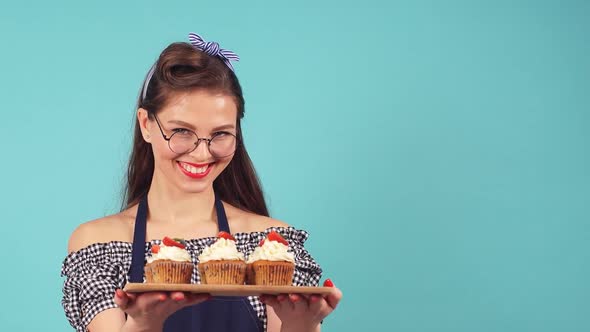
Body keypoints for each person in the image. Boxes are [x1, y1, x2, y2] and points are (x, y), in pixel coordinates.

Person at [60, 32, 342, 332]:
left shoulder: (270, 246)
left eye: (220, 134)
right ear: (146, 125)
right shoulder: (100, 244)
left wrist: (300, 325)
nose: (201, 152)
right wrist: (145, 324)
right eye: (181, 131)